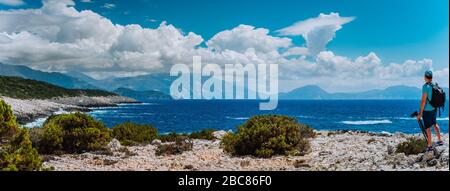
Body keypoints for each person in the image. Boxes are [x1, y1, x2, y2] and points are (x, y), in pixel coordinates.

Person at [417, 70, 444, 152]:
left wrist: (420, 113)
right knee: (434, 124)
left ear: (425, 77)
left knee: (427, 127)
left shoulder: (425, 87)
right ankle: (440, 140)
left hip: (427, 110)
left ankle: (429, 146)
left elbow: (423, 101)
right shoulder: (434, 86)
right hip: (434, 108)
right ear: (431, 77)